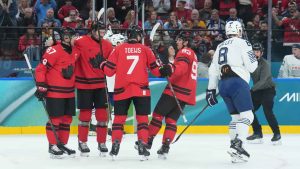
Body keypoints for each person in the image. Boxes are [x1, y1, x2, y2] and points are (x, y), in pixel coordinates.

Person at [91, 25, 162, 160]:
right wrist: (166, 69)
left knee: (119, 120)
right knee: (142, 120)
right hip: (141, 90)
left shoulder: (118, 49)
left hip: (122, 90)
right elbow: (157, 71)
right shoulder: (145, 49)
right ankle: (142, 145)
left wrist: (101, 64)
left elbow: (109, 71)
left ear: (128, 36)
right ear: (139, 36)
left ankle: (115, 145)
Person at [206, 21, 258, 163]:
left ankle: (234, 148)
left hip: (223, 84)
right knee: (248, 115)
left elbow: (213, 71)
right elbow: (252, 67)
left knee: (235, 118)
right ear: (239, 31)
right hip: (238, 82)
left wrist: (211, 90)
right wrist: (255, 59)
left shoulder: (219, 46)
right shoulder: (243, 43)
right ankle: (238, 144)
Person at [146, 31, 198, 159]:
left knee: (158, 116)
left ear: (186, 42)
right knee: (171, 120)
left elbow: (180, 68)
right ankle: (165, 147)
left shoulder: (185, 51)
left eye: (180, 40)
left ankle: (147, 142)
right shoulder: (194, 54)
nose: (177, 42)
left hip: (175, 90)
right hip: (185, 94)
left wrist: (170, 69)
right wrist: (169, 67)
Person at [34, 27, 77, 158]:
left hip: (69, 92)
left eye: (72, 36)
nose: (73, 38)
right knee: (55, 119)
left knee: (67, 120)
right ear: (64, 37)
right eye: (70, 36)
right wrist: (41, 86)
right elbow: (40, 69)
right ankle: (52, 145)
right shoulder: (53, 50)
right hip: (55, 92)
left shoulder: (75, 51)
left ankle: (62, 144)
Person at [73, 21, 113, 157]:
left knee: (102, 116)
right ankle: (82, 141)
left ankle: (102, 142)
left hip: (101, 85)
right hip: (84, 84)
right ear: (92, 30)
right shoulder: (81, 41)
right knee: (85, 115)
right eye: (100, 31)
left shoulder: (107, 44)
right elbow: (69, 46)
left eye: (104, 31)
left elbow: (112, 63)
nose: (102, 34)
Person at [246, 43, 281, 144]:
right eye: (253, 52)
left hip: (268, 90)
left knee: (267, 111)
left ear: (261, 53)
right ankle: (257, 133)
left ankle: (277, 134)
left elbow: (263, 80)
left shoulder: (265, 64)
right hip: (257, 90)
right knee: (249, 111)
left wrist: (251, 90)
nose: (255, 54)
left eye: (257, 52)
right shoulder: (249, 63)